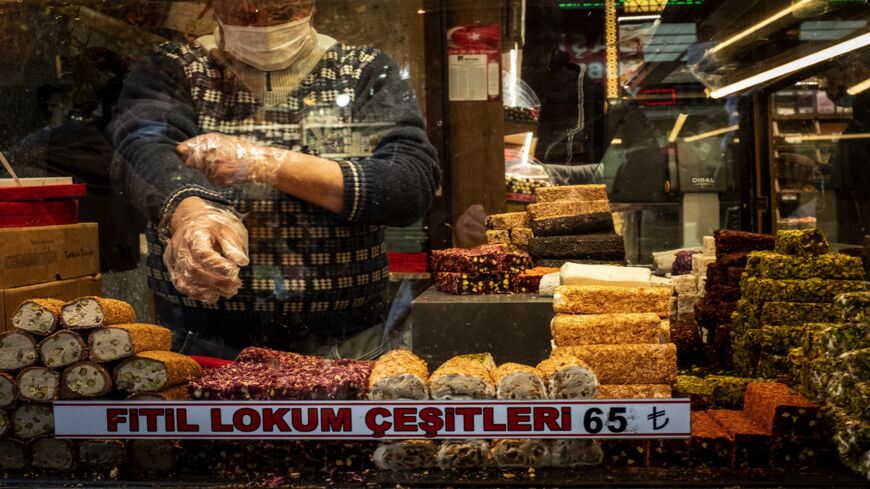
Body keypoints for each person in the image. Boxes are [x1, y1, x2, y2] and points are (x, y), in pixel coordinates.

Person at [110, 0, 441, 360]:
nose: (262, 26)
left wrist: (262, 162)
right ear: (212, 7)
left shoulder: (363, 70)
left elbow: (410, 184)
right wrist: (194, 213)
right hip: (202, 342)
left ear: (313, 6)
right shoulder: (173, 68)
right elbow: (141, 150)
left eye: (281, 14)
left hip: (346, 345)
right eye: (243, 13)